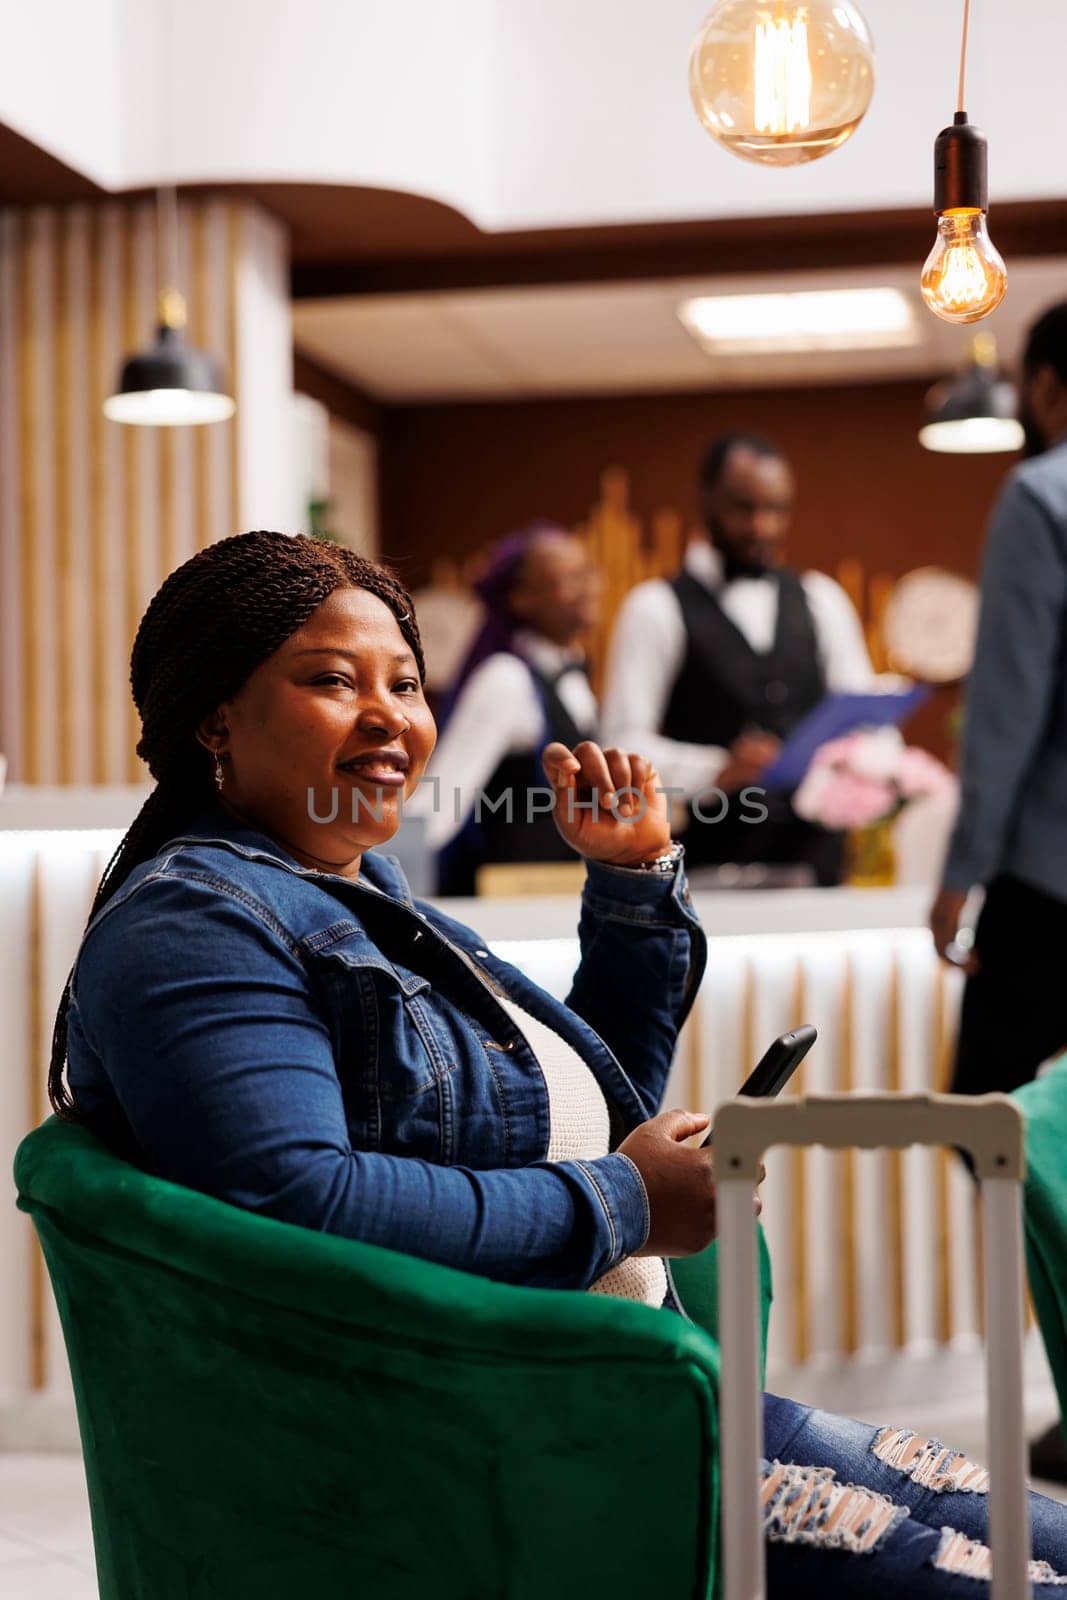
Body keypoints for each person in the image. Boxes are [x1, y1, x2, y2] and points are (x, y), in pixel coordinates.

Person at [53, 531, 1067, 1593]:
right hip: (499, 1446)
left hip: (603, 1392)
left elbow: (574, 1102)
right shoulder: (197, 922)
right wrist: (625, 1200)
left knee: (1037, 1540)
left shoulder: (362, 894)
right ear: (215, 714)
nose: (390, 714)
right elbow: (302, 1198)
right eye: (330, 680)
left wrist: (632, 885)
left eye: (404, 682)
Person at [601, 432, 876, 885]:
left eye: (776, 510)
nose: (762, 527)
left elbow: (865, 720)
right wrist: (718, 769)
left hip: (818, 868)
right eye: (744, 508)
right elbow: (622, 745)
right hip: (704, 871)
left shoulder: (822, 599)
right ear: (706, 501)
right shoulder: (654, 607)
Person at [931, 301, 1067, 1097]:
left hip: (1051, 882)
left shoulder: (1041, 497)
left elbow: (1007, 710)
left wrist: (960, 875)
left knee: (985, 1123)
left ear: (1045, 387)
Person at [417, 521, 600, 893]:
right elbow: (443, 799)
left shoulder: (573, 679)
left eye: (589, 573)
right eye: (569, 579)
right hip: (508, 903)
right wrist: (375, 878)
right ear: (521, 599)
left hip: (561, 898)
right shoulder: (506, 680)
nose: (589, 589)